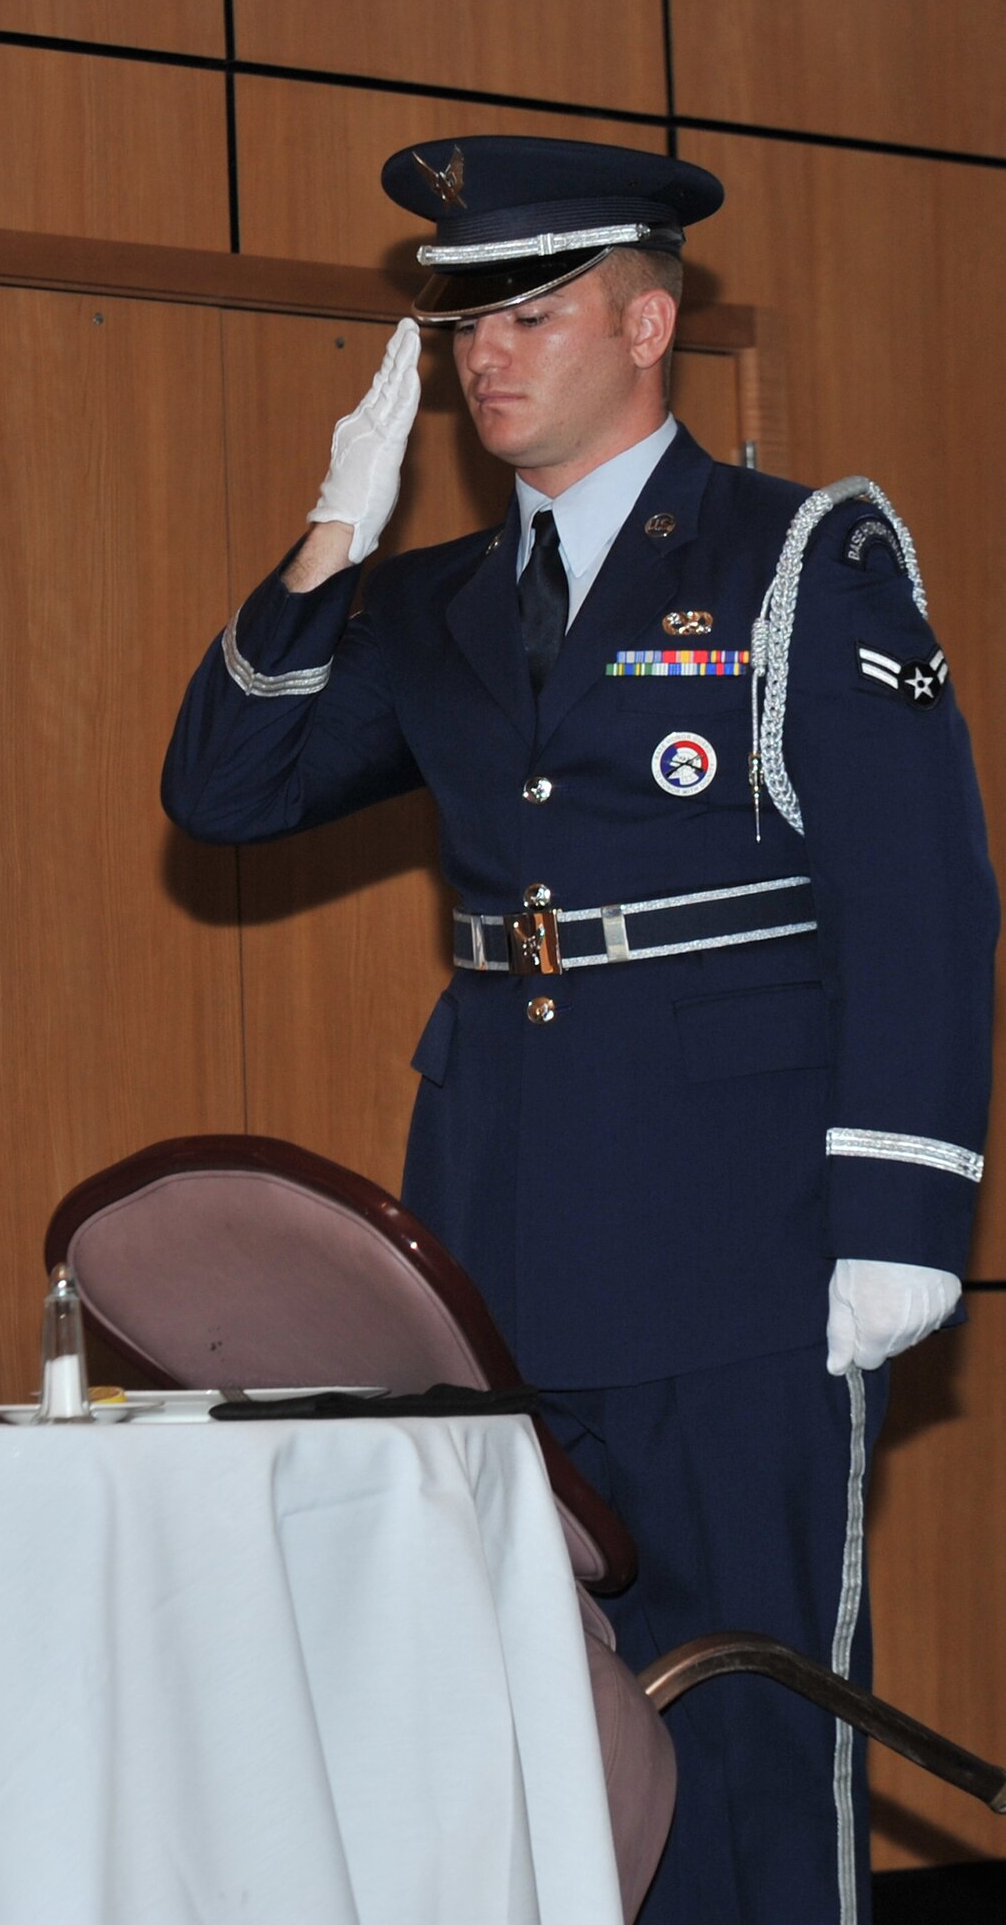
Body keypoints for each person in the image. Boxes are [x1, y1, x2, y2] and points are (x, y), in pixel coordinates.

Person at [161, 137, 997, 1924]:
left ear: (644, 318)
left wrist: (901, 1214)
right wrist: (332, 535)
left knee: (744, 1706)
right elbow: (225, 795)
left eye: (527, 311)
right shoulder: (437, 604)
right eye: (462, 321)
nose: (483, 355)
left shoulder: (796, 561)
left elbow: (921, 893)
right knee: (519, 1711)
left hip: (740, 1230)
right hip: (496, 1219)